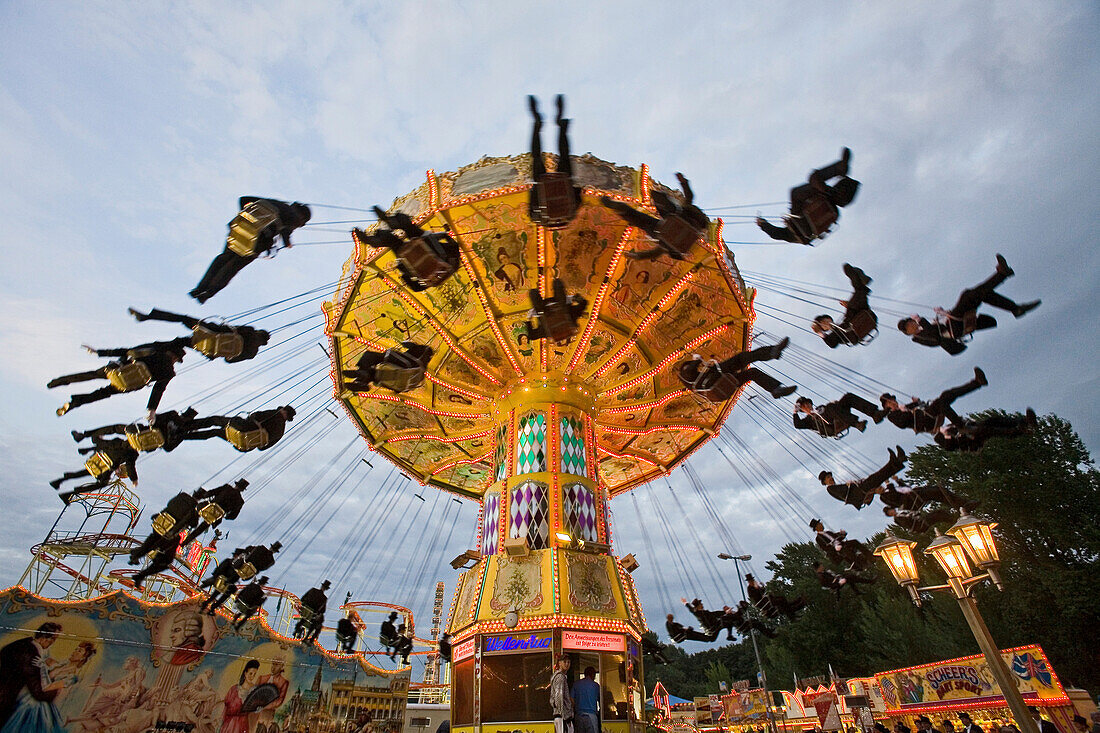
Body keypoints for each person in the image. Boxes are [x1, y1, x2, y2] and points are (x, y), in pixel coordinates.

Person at [898, 255, 1040, 355]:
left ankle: (1016, 308)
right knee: (967, 295)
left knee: (980, 294)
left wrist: (942, 313)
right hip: (954, 329)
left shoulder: (924, 325)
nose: (911, 325)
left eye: (910, 322)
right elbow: (935, 338)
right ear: (908, 333)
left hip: (953, 322)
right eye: (909, 327)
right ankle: (1002, 276)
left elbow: (937, 326)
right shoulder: (919, 338)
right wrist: (920, 319)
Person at [190, 197, 311, 303]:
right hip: (258, 240)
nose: (300, 225)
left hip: (241, 229)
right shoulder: (294, 217)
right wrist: (288, 243)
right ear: (302, 217)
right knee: (231, 268)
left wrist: (247, 216)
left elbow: (243, 199)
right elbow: (286, 232)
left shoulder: (273, 203)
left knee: (222, 259)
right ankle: (207, 293)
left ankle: (199, 289)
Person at [51, 340, 187, 419]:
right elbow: (158, 390)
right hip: (129, 384)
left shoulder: (154, 350)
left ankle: (61, 381)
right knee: (102, 393)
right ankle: (75, 403)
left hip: (120, 370)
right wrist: (151, 409)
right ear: (174, 357)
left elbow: (128, 351)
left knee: (91, 375)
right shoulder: (169, 372)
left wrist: (99, 352)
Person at [757, 148, 859, 244]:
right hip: (815, 210)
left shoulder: (834, 213)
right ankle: (839, 170)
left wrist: (764, 225)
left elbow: (777, 234)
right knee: (807, 183)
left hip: (818, 210)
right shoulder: (794, 232)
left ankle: (841, 173)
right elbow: (776, 234)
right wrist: (763, 224)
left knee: (813, 181)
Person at [601, 173, 710, 260]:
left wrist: (683, 182)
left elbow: (690, 196)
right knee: (642, 221)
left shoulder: (688, 213)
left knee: (661, 210)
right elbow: (655, 253)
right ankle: (622, 210)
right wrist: (638, 256)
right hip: (668, 232)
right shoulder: (692, 232)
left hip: (673, 219)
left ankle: (626, 207)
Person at [356, 207, 461, 291]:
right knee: (398, 243)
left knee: (413, 232)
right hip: (420, 257)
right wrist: (404, 274)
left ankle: (390, 227)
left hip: (431, 251)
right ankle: (380, 237)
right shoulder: (446, 269)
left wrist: (445, 236)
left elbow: (454, 246)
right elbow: (415, 287)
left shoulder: (453, 262)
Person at [128, 308, 271, 363]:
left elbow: (231, 328)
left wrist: (211, 326)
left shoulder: (251, 331)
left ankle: (148, 317)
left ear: (260, 333)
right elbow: (229, 360)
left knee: (183, 318)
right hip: (209, 348)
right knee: (179, 342)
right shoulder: (252, 353)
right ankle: (146, 352)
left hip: (210, 332)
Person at [677, 337, 796, 402]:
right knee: (741, 358)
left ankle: (776, 390)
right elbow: (690, 368)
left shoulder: (693, 383)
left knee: (752, 373)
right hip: (715, 378)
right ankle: (771, 352)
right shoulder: (683, 372)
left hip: (721, 385)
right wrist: (696, 359)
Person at [528, 95, 583, 229]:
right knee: (537, 156)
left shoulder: (570, 215)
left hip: (562, 181)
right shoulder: (539, 218)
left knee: (564, 154)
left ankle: (560, 127)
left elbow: (578, 194)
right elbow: (532, 198)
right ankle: (538, 125)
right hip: (543, 182)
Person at [880, 368, 988, 434]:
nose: (893, 402)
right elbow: (902, 423)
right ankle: (961, 425)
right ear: (886, 407)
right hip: (924, 422)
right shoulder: (892, 416)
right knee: (941, 403)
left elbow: (916, 405)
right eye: (889, 402)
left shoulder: (904, 407)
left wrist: (916, 402)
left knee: (945, 396)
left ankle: (977, 383)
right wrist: (905, 410)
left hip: (928, 416)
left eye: (893, 400)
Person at [0, 622, 63, 729]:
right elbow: (38, 693)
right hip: (6, 699)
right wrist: (57, 690)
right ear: (44, 637)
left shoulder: (21, 643)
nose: (52, 642)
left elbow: (4, 652)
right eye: (53, 639)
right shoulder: (32, 656)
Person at [70, 407, 201, 453]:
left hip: (148, 440)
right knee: (118, 430)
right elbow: (157, 418)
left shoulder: (181, 432)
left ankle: (89, 442)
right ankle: (85, 437)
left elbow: (169, 447)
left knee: (120, 444)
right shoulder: (172, 417)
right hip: (144, 433)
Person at [50, 437, 140, 503]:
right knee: (102, 483)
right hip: (107, 466)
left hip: (99, 458)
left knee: (84, 472)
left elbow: (104, 444)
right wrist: (134, 479)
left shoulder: (119, 441)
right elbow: (130, 465)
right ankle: (69, 493)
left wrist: (90, 449)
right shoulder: (132, 453)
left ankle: (59, 481)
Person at [818, 447, 907, 510]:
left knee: (878, 477)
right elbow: (844, 492)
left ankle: (898, 461)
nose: (831, 478)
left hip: (858, 491)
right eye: (828, 478)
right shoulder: (830, 489)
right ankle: (896, 462)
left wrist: (849, 485)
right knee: (876, 477)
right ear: (825, 482)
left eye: (830, 476)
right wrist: (849, 484)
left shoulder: (833, 488)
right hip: (859, 492)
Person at [129, 490, 202, 565]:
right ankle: (138, 554)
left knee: (154, 538)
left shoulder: (182, 496)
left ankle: (136, 554)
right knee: (163, 543)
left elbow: (170, 504)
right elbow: (194, 524)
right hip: (171, 529)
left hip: (162, 520)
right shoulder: (194, 507)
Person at [812, 264, 878, 347]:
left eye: (825, 320)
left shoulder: (844, 320)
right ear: (826, 330)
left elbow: (851, 312)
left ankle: (860, 284)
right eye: (822, 325)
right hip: (853, 332)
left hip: (866, 316)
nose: (825, 323)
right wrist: (819, 332)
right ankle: (860, 284)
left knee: (855, 303)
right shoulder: (835, 335)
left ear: (829, 319)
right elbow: (832, 344)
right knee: (852, 306)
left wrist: (849, 305)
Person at [178, 406, 296, 452]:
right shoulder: (280, 433)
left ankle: (184, 426)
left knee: (215, 420)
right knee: (215, 433)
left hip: (242, 429)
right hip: (244, 444)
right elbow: (262, 448)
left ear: (284, 411)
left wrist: (252, 419)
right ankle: (183, 436)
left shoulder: (276, 414)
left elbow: (256, 415)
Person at [343, 342, 434, 393]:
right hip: (404, 382)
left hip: (409, 369)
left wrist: (404, 344)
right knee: (376, 373)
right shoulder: (422, 365)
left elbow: (407, 345)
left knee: (371, 356)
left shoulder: (420, 350)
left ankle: (361, 374)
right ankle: (361, 381)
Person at [933, 410, 1037, 452]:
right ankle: (1017, 431)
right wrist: (947, 435)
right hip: (969, 441)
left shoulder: (948, 425)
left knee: (993, 420)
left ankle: (1024, 421)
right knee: (988, 430)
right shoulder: (938, 436)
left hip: (973, 429)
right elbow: (948, 447)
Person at [184, 478, 250, 544]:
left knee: (194, 511)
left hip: (207, 507)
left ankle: (185, 524)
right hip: (216, 516)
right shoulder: (240, 501)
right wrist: (224, 516)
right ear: (242, 490)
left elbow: (211, 492)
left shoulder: (226, 487)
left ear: (236, 485)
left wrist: (204, 495)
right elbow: (233, 516)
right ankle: (185, 542)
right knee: (201, 528)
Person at [793, 393, 886, 437]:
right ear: (802, 409)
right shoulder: (808, 420)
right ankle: (856, 423)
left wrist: (836, 404)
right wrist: (795, 412)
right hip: (830, 426)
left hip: (837, 415)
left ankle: (875, 414)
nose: (807, 405)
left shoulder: (820, 408)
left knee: (848, 397)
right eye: (804, 405)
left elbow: (830, 408)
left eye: (807, 403)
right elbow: (797, 425)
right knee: (830, 407)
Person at [527, 278, 588, 344]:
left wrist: (578, 299)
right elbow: (532, 336)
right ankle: (537, 290)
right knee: (534, 293)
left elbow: (582, 305)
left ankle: (555, 282)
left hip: (553, 305)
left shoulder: (571, 322)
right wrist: (528, 321)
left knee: (557, 284)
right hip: (549, 307)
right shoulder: (548, 333)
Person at [809, 519, 873, 571]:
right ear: (817, 527)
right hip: (836, 550)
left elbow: (837, 537)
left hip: (842, 544)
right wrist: (834, 547)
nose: (822, 524)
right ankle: (859, 565)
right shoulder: (818, 539)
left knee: (854, 542)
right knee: (845, 551)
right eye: (820, 524)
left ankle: (870, 556)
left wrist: (842, 534)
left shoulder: (828, 532)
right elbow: (825, 549)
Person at [878, 481, 977, 512]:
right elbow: (896, 498)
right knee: (936, 491)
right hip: (912, 499)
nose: (880, 487)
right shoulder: (884, 497)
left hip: (914, 493)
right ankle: (962, 505)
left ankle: (961, 505)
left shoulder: (889, 490)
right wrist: (889, 485)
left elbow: (904, 488)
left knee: (940, 493)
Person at [199, 550, 246, 615]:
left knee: (223, 593)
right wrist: (219, 577)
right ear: (236, 556)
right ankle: (208, 604)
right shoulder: (229, 562)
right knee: (217, 592)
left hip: (227, 583)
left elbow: (238, 578)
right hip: (221, 580)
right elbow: (220, 569)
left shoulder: (238, 568)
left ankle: (211, 606)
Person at [221, 658, 261, 733]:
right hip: (230, 724)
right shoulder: (234, 689)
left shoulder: (254, 691)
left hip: (243, 724)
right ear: (245, 673)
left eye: (254, 674)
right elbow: (226, 708)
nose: (252, 677)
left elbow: (255, 708)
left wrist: (257, 708)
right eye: (250, 673)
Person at [884, 505, 958, 534]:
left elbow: (914, 513)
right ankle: (953, 521)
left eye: (891, 510)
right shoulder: (897, 519)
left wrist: (914, 513)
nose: (892, 511)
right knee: (937, 515)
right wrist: (911, 517)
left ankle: (952, 518)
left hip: (921, 520)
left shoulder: (902, 512)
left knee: (939, 512)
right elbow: (907, 524)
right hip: (919, 525)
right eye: (890, 512)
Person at [571, 666, 601, 733]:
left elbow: (571, 699)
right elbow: (601, 701)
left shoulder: (576, 684)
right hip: (591, 716)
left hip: (579, 716)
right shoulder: (596, 686)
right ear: (593, 674)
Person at [549, 655, 574, 733]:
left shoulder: (558, 676)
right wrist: (565, 716)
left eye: (568, 662)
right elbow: (558, 697)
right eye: (564, 662)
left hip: (560, 716)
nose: (567, 664)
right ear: (559, 663)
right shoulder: (560, 677)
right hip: (562, 717)